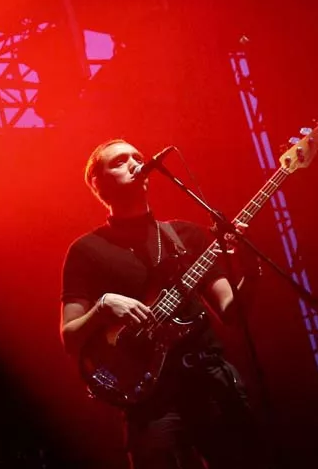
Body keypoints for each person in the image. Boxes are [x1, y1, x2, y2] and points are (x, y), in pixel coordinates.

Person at [60, 138, 265, 469]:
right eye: (119, 161)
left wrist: (251, 270)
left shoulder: (187, 236)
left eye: (137, 157)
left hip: (210, 382)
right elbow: (71, 338)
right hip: (150, 399)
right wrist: (102, 307)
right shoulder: (87, 250)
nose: (133, 163)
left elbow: (232, 312)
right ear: (98, 184)